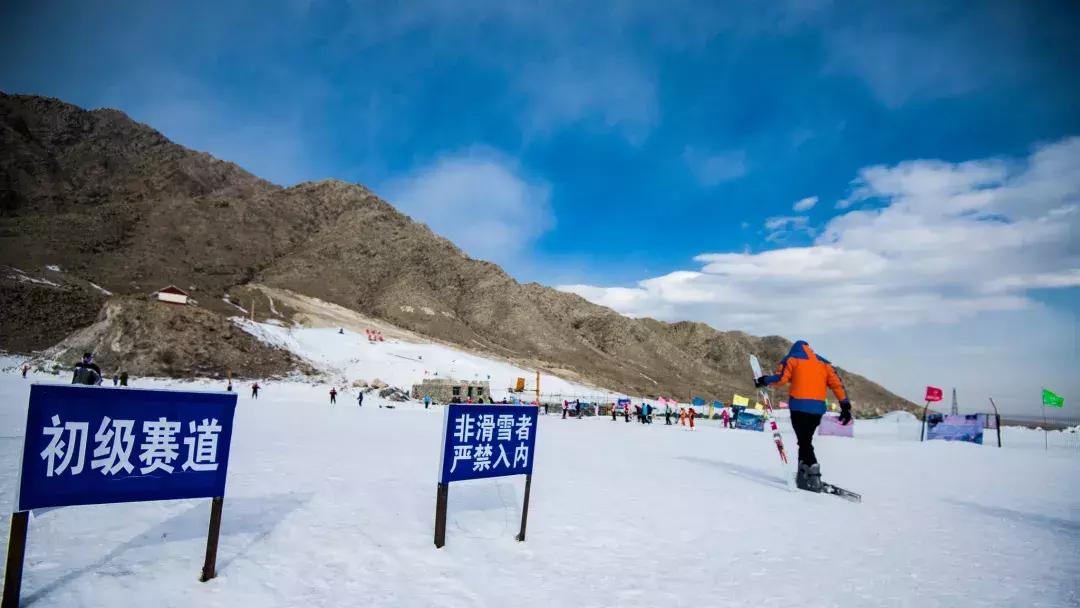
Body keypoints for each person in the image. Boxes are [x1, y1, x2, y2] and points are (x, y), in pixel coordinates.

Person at [755, 340, 851, 493]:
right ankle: (803, 474)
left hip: (799, 408)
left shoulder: (792, 359)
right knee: (805, 440)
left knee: (804, 442)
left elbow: (781, 379)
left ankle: (813, 471)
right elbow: (836, 384)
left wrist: (764, 380)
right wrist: (845, 405)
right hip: (817, 410)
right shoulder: (823, 363)